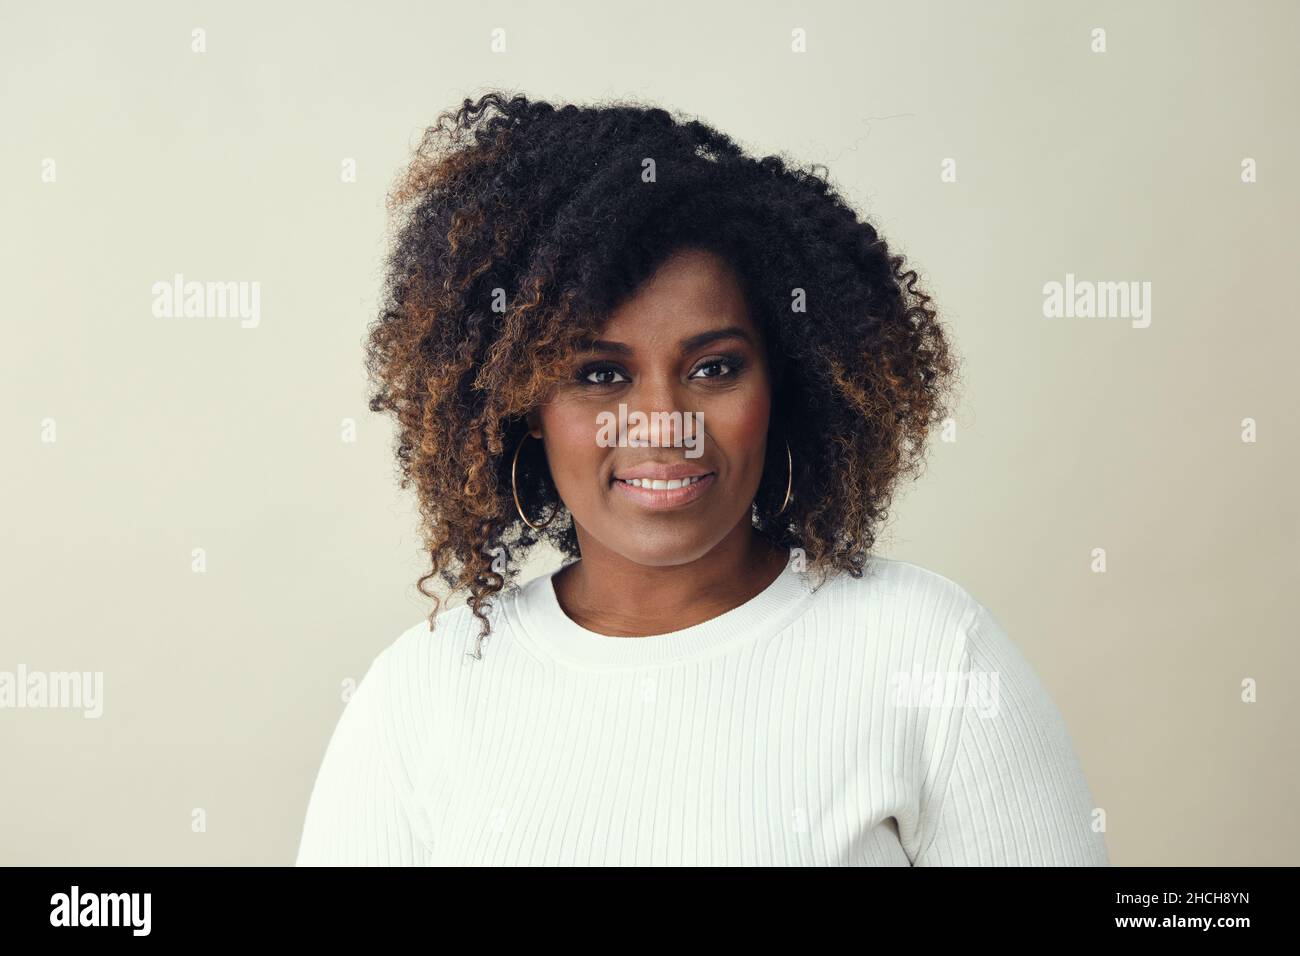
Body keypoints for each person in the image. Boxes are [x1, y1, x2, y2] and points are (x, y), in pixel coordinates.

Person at [294, 91, 1109, 866]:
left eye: (714, 367)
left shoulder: (929, 654)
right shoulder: (422, 695)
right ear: (522, 404)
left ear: (781, 383)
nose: (664, 422)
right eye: (600, 376)